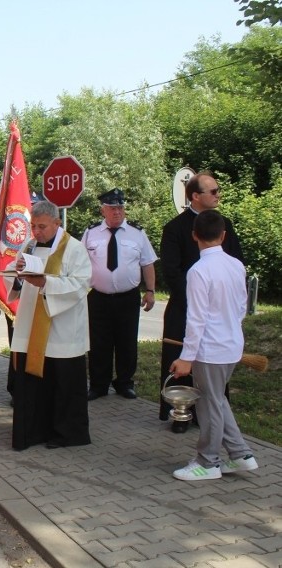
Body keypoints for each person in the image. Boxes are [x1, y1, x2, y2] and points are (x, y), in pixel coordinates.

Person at [169, 210, 257, 481]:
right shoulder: (236, 265)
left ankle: (208, 462)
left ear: (194, 235)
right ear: (223, 235)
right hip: (231, 345)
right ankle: (241, 454)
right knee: (217, 400)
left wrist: (186, 357)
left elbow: (197, 319)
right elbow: (242, 306)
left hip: (210, 349)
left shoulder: (198, 270)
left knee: (209, 405)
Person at [159, 172, 243, 433]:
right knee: (180, 363)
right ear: (195, 196)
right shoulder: (175, 227)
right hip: (185, 307)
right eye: (213, 191)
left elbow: (236, 262)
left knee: (212, 374)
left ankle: (212, 417)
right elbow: (171, 271)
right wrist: (196, 297)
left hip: (216, 312)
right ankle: (180, 412)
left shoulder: (223, 224)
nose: (218, 195)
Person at [7, 200, 92, 451]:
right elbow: (15, 271)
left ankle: (66, 434)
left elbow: (81, 284)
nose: (37, 232)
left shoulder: (74, 249)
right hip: (31, 325)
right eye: (33, 226)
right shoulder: (30, 246)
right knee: (33, 384)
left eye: (42, 226)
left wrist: (45, 284)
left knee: (62, 384)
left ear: (57, 223)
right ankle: (33, 431)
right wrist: (19, 271)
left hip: (62, 328)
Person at [82, 189, 157, 401]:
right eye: (112, 208)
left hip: (127, 297)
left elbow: (148, 264)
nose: (117, 212)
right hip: (98, 296)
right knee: (99, 343)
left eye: (120, 208)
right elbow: (79, 262)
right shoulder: (91, 233)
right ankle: (98, 385)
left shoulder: (137, 233)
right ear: (102, 210)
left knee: (127, 341)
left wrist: (150, 291)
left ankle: (125, 383)